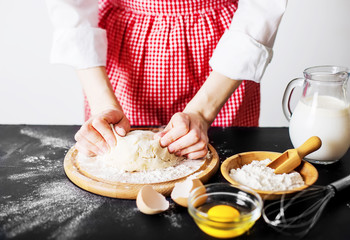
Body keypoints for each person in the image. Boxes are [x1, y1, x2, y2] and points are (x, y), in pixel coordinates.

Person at [46, 0, 287, 159]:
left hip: (223, 63)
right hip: (125, 49)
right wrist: (104, 106)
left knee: (222, 171)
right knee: (118, 159)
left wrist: (202, 114)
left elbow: (263, 6)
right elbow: (72, 6)